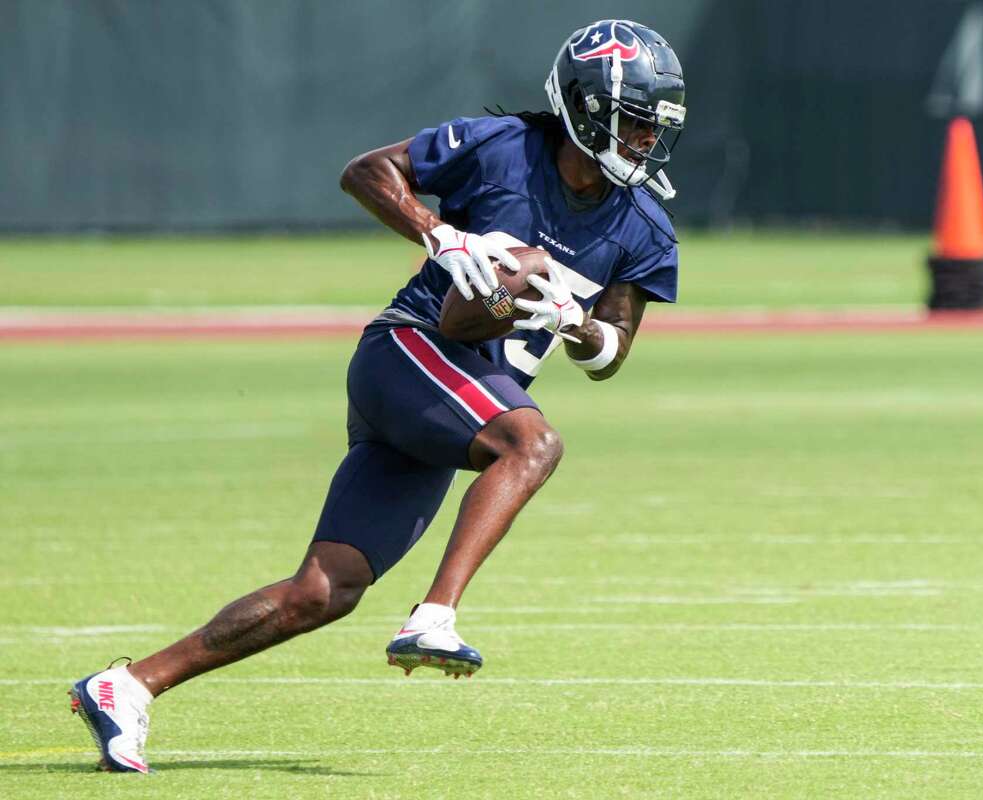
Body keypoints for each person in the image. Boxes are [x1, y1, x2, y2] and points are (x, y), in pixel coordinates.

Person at [68, 18, 686, 773]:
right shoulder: (503, 149)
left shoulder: (645, 224)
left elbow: (613, 349)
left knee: (323, 592)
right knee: (534, 440)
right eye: (634, 124)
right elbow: (366, 171)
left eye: (655, 127)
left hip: (461, 395)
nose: (646, 141)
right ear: (586, 110)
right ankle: (435, 617)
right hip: (411, 349)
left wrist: (577, 325)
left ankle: (126, 686)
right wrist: (443, 236)